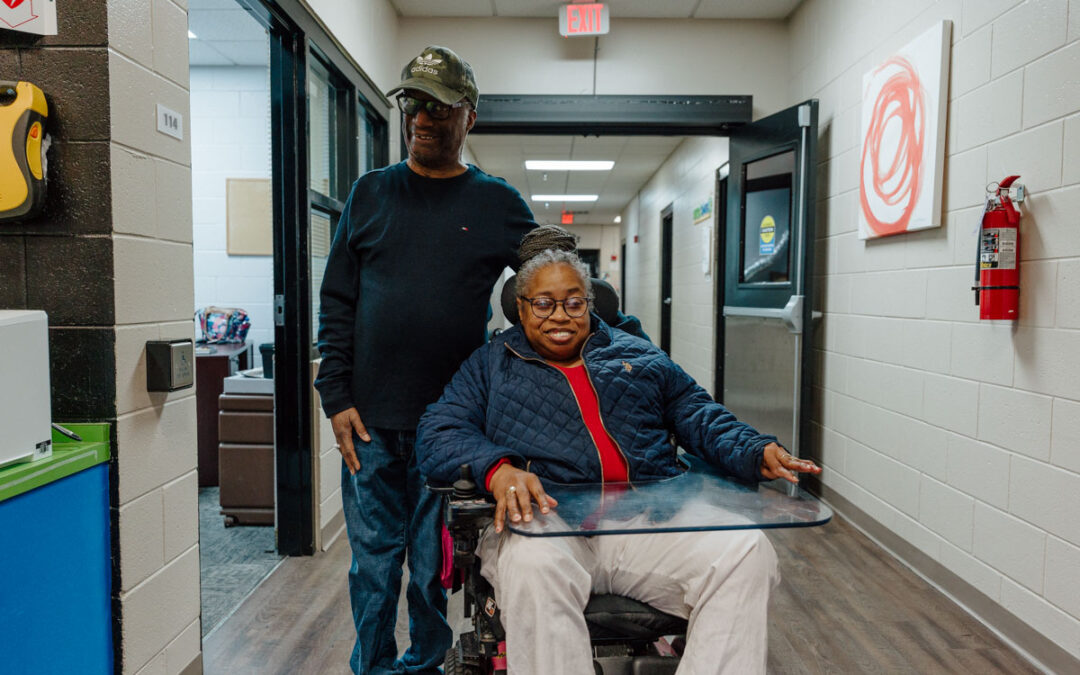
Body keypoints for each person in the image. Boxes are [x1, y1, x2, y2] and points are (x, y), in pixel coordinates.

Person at [416, 249, 821, 674]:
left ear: (590, 304)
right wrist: (497, 469)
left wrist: (754, 449)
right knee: (535, 569)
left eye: (574, 302)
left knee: (746, 550)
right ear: (521, 307)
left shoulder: (640, 356)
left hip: (646, 519)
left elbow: (698, 413)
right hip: (545, 522)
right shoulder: (489, 365)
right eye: (543, 303)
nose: (560, 316)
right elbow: (438, 432)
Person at [314, 45, 537, 675]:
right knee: (374, 565)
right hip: (369, 422)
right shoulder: (370, 194)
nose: (423, 118)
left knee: (434, 566)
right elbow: (336, 303)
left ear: (470, 118)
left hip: (452, 427)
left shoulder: (497, 203)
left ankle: (427, 666)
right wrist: (336, 398)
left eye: (440, 108)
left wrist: (610, 336)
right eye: (414, 103)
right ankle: (374, 667)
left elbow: (549, 287)